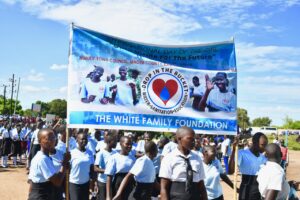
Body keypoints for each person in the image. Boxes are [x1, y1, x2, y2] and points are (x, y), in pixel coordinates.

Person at [159, 126, 208, 200]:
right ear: (179, 139)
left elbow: (201, 185)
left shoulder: (197, 158)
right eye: (190, 139)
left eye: (194, 139)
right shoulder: (169, 158)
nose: (193, 141)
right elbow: (164, 188)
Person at [28, 128, 70, 200]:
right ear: (39, 141)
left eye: (53, 138)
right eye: (48, 139)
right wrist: (64, 163)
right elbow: (57, 181)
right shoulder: (42, 159)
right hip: (40, 196)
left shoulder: (46, 157)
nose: (52, 141)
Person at [228, 132, 268, 200]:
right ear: (254, 142)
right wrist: (234, 150)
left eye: (266, 145)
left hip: (260, 193)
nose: (265, 148)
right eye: (262, 145)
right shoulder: (242, 154)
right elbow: (230, 171)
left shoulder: (264, 158)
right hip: (246, 192)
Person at [105, 136, 136, 200]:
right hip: (118, 184)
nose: (129, 146)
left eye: (131, 144)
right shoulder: (114, 158)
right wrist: (108, 196)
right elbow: (109, 177)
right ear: (121, 144)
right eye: (127, 144)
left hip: (130, 185)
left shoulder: (133, 158)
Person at [69, 131, 95, 200]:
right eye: (82, 139)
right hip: (74, 184)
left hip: (86, 183)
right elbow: (68, 169)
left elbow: (92, 169)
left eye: (86, 139)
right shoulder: (72, 153)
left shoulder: (90, 153)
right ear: (77, 140)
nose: (84, 141)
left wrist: (93, 184)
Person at [94, 133, 118, 200]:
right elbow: (95, 168)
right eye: (115, 141)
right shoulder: (101, 153)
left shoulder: (115, 153)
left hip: (112, 182)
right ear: (109, 142)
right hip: (103, 182)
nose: (116, 143)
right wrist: (108, 171)